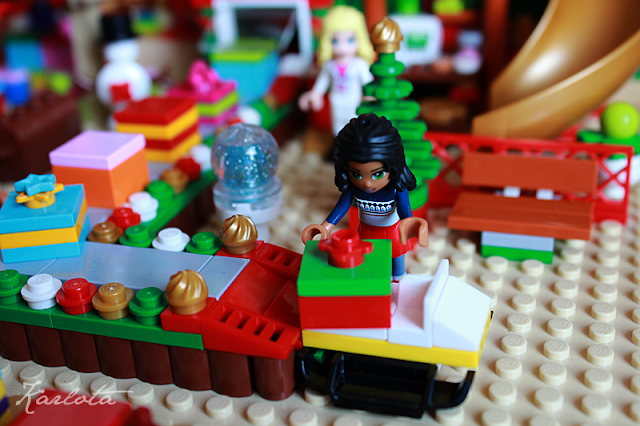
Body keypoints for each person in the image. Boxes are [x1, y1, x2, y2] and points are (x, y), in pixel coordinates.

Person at [301, 114, 428, 279]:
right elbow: (342, 205)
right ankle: (375, 284)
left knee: (397, 259)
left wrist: (410, 223)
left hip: (393, 231)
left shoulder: (395, 188)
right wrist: (325, 227)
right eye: (356, 174)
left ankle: (399, 280)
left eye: (377, 174)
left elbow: (404, 208)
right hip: (366, 230)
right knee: (369, 259)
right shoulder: (353, 188)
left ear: (394, 166)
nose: (367, 183)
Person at [298, 6, 375, 136]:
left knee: (356, 129)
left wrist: (369, 95)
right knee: (338, 129)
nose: (342, 47)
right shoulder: (330, 65)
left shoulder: (359, 64)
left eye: (350, 40)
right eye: (335, 40)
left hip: (354, 103)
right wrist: (315, 94)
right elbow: (322, 82)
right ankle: (339, 146)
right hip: (336, 103)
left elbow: (368, 83)